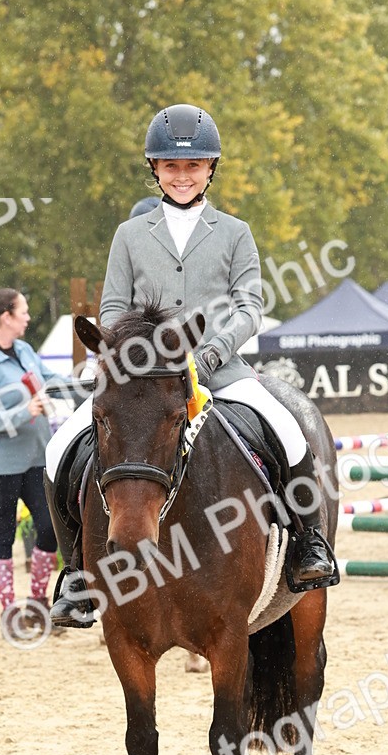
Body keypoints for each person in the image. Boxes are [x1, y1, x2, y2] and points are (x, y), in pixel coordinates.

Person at [46, 104, 336, 628]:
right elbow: (113, 307)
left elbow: (249, 307)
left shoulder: (235, 232)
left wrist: (212, 351)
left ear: (210, 169)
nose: (183, 176)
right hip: (144, 380)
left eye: (194, 166)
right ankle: (75, 575)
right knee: (57, 449)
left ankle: (308, 544)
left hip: (219, 370)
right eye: (172, 166)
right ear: (155, 169)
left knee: (290, 431)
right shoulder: (130, 234)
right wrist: (131, 352)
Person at [0, 287, 68, 637]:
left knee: (50, 528)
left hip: (37, 456)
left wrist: (91, 384)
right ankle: (10, 610)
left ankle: (38, 603)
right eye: (22, 311)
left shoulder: (24, 350)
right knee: (4, 534)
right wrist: (24, 411)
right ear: (5, 317)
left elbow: (51, 380)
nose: (27, 317)